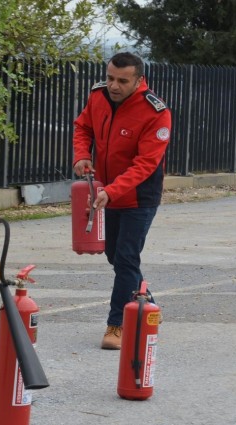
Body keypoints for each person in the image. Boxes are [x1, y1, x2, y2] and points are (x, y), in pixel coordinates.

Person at [72, 52, 172, 350]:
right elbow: (83, 126)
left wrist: (113, 191)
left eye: (122, 81)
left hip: (138, 197)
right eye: (110, 78)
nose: (113, 86)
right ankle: (146, 300)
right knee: (115, 255)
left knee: (127, 257)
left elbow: (145, 164)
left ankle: (116, 325)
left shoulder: (156, 112)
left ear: (139, 81)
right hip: (105, 192)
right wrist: (81, 155)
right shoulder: (99, 96)